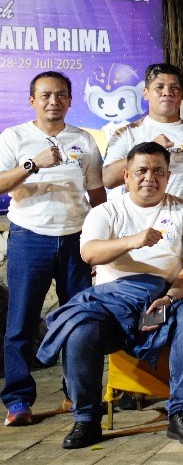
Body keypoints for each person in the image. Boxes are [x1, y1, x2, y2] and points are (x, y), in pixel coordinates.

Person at [40, 142, 183, 448]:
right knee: (80, 329)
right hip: (112, 306)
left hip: (163, 299)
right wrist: (132, 241)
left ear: (168, 175)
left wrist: (170, 298)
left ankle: (181, 414)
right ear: (126, 175)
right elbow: (90, 253)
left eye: (158, 171)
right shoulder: (105, 212)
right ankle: (86, 420)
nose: (150, 177)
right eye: (141, 170)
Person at [0, 72, 105, 426]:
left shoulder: (84, 139)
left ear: (70, 100)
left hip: (77, 238)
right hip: (30, 237)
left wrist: (101, 240)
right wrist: (32, 165)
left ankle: (77, 394)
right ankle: (18, 401)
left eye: (61, 95)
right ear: (32, 100)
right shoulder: (14, 137)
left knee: (79, 321)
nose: (53, 101)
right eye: (45, 95)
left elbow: (97, 193)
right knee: (21, 322)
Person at [103, 64, 183, 205]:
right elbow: (108, 180)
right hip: (139, 217)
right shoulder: (127, 133)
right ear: (145, 93)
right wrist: (151, 148)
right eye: (159, 87)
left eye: (174, 87)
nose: (167, 92)